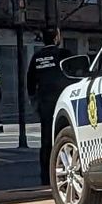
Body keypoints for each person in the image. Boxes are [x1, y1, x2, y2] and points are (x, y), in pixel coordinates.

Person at [27, 29, 73, 185]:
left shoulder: (36, 57)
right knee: (66, 136)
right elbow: (75, 73)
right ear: (56, 38)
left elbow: (30, 82)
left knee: (46, 140)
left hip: (45, 103)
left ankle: (46, 177)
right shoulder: (64, 54)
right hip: (63, 101)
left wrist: (35, 102)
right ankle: (64, 171)